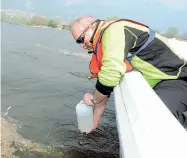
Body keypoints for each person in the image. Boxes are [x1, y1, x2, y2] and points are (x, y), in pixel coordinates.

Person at [71, 16, 187, 133]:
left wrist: (94, 99)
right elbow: (105, 90)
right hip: (161, 83)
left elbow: (110, 76)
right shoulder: (104, 42)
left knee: (155, 119)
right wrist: (93, 124)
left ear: (91, 27)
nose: (81, 45)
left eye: (80, 39)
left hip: (177, 78)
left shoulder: (114, 31)